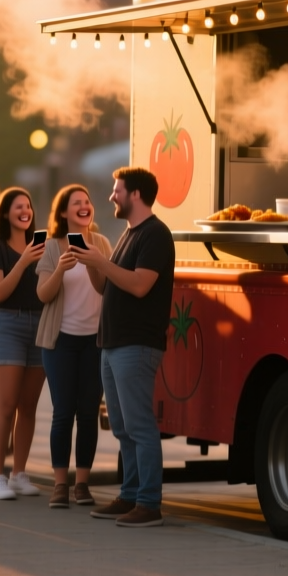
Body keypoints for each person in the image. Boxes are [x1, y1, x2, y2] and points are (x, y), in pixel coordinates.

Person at [76, 167, 175, 528]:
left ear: (135, 194)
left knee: (139, 425)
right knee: (121, 426)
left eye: (117, 191)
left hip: (136, 344)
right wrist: (91, 262)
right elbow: (106, 286)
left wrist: (101, 261)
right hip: (113, 344)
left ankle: (148, 503)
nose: (111, 197)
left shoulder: (156, 234)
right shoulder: (129, 234)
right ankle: (130, 495)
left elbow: (139, 285)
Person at [36, 184, 110, 509]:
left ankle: (82, 484)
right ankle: (60, 485)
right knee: (63, 412)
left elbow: (106, 287)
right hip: (61, 341)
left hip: (95, 342)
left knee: (88, 413)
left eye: (87, 201)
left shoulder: (102, 243)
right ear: (64, 212)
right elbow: (43, 294)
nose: (84, 206)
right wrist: (61, 269)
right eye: (76, 202)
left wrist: (93, 260)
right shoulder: (53, 247)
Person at [0, 187, 48, 501]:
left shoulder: (41, 245)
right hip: (9, 324)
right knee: (6, 404)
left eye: (28, 206)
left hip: (40, 325)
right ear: (5, 213)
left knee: (28, 406)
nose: (25, 211)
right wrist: (23, 262)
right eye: (18, 207)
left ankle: (18, 474)